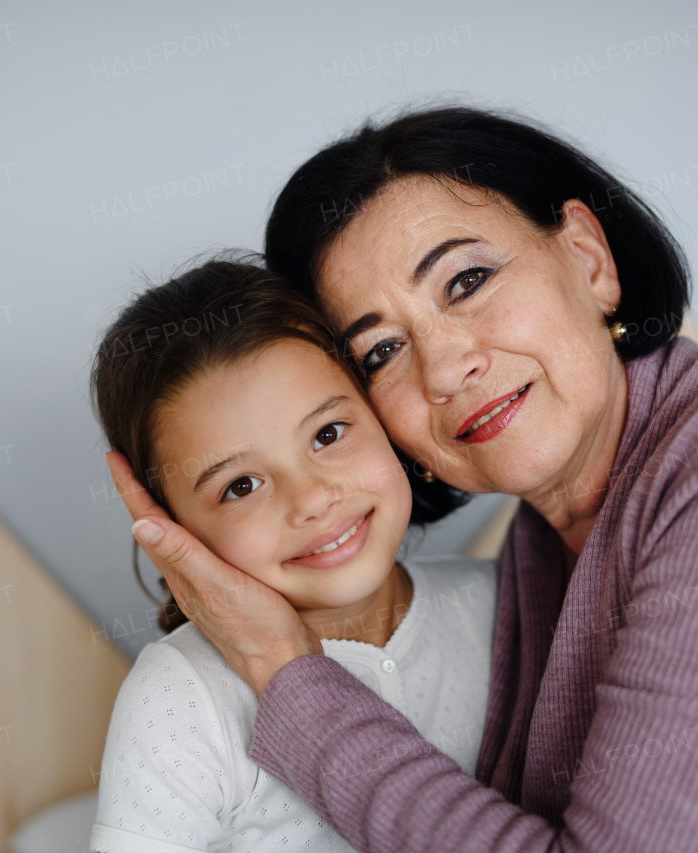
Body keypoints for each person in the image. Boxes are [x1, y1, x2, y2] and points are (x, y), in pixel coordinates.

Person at [109, 106, 698, 852]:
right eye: (382, 350)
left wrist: (285, 669)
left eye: (467, 281)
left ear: (588, 257)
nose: (446, 367)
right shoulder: (537, 555)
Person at [89, 258, 499, 852]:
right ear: (173, 529)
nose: (311, 499)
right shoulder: (183, 696)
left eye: (328, 434)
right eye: (241, 486)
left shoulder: (498, 603)